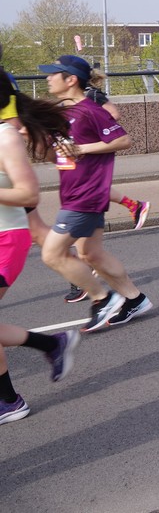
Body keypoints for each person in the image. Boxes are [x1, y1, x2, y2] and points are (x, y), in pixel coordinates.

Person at [35, 55, 151, 331]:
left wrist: (83, 148)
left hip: (87, 194)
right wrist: (41, 145)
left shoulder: (89, 109)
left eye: (53, 74)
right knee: (91, 254)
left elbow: (123, 140)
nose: (48, 78)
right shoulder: (61, 113)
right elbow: (57, 157)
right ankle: (135, 299)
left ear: (70, 79)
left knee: (51, 254)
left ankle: (103, 299)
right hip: (74, 191)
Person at [0, 72, 80, 424]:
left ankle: (11, 399)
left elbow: (29, 195)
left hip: (6, 240)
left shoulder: (6, 137)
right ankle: (49, 347)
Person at [83, 70, 150, 230]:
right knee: (89, 185)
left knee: (91, 185)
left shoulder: (92, 95)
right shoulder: (76, 98)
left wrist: (94, 126)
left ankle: (134, 206)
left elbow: (114, 114)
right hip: (85, 145)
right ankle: (133, 206)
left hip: (96, 144)